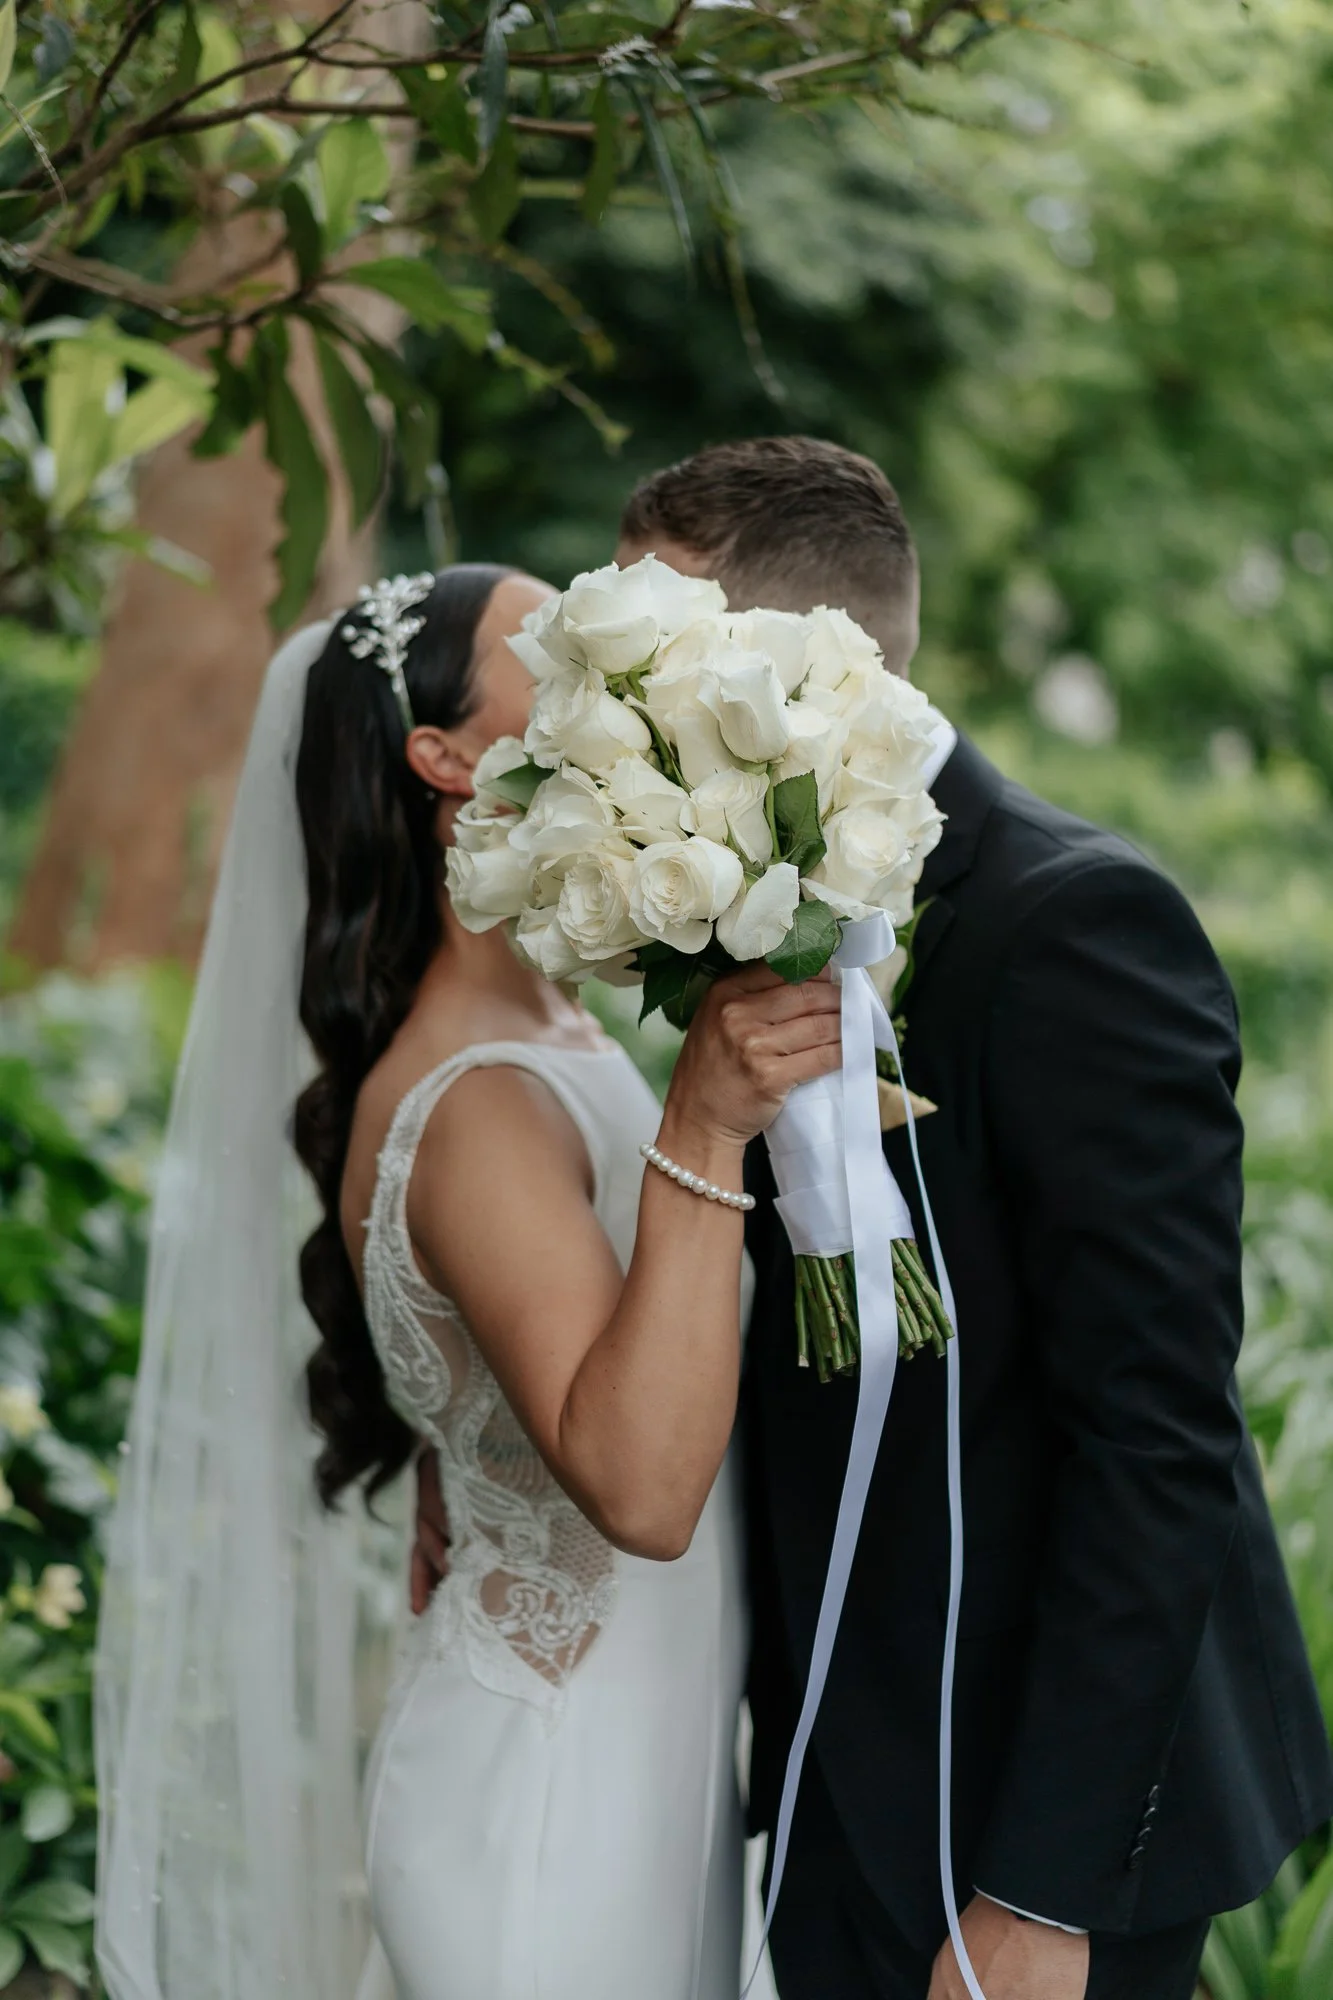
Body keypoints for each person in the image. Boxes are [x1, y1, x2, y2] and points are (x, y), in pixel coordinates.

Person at [414, 437, 1333, 2000]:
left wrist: (1042, 1897)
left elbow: (1159, 1441)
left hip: (1032, 1822)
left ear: (796, 670)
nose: (606, 725)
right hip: (836, 1769)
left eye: (643, 672)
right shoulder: (709, 912)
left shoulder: (1078, 929)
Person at [96, 562, 837, 2000]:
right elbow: (640, 1489)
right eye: (541, 641)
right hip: (552, 1803)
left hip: (629, 1761)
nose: (590, 660)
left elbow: (568, 1372)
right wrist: (699, 1126)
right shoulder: (479, 1099)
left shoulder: (548, 1025)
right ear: (445, 757)